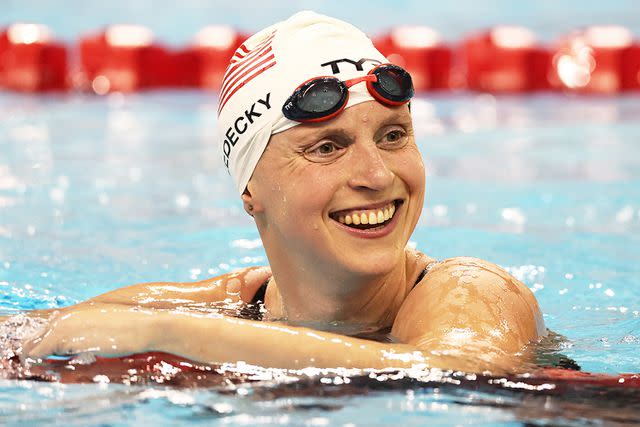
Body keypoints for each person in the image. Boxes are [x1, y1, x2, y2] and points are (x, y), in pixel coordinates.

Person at [16, 11, 545, 374]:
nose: (378, 175)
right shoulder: (233, 305)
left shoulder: (471, 290)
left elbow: (458, 372)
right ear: (250, 191)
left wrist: (165, 336)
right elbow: (23, 334)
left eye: (393, 135)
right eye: (327, 148)